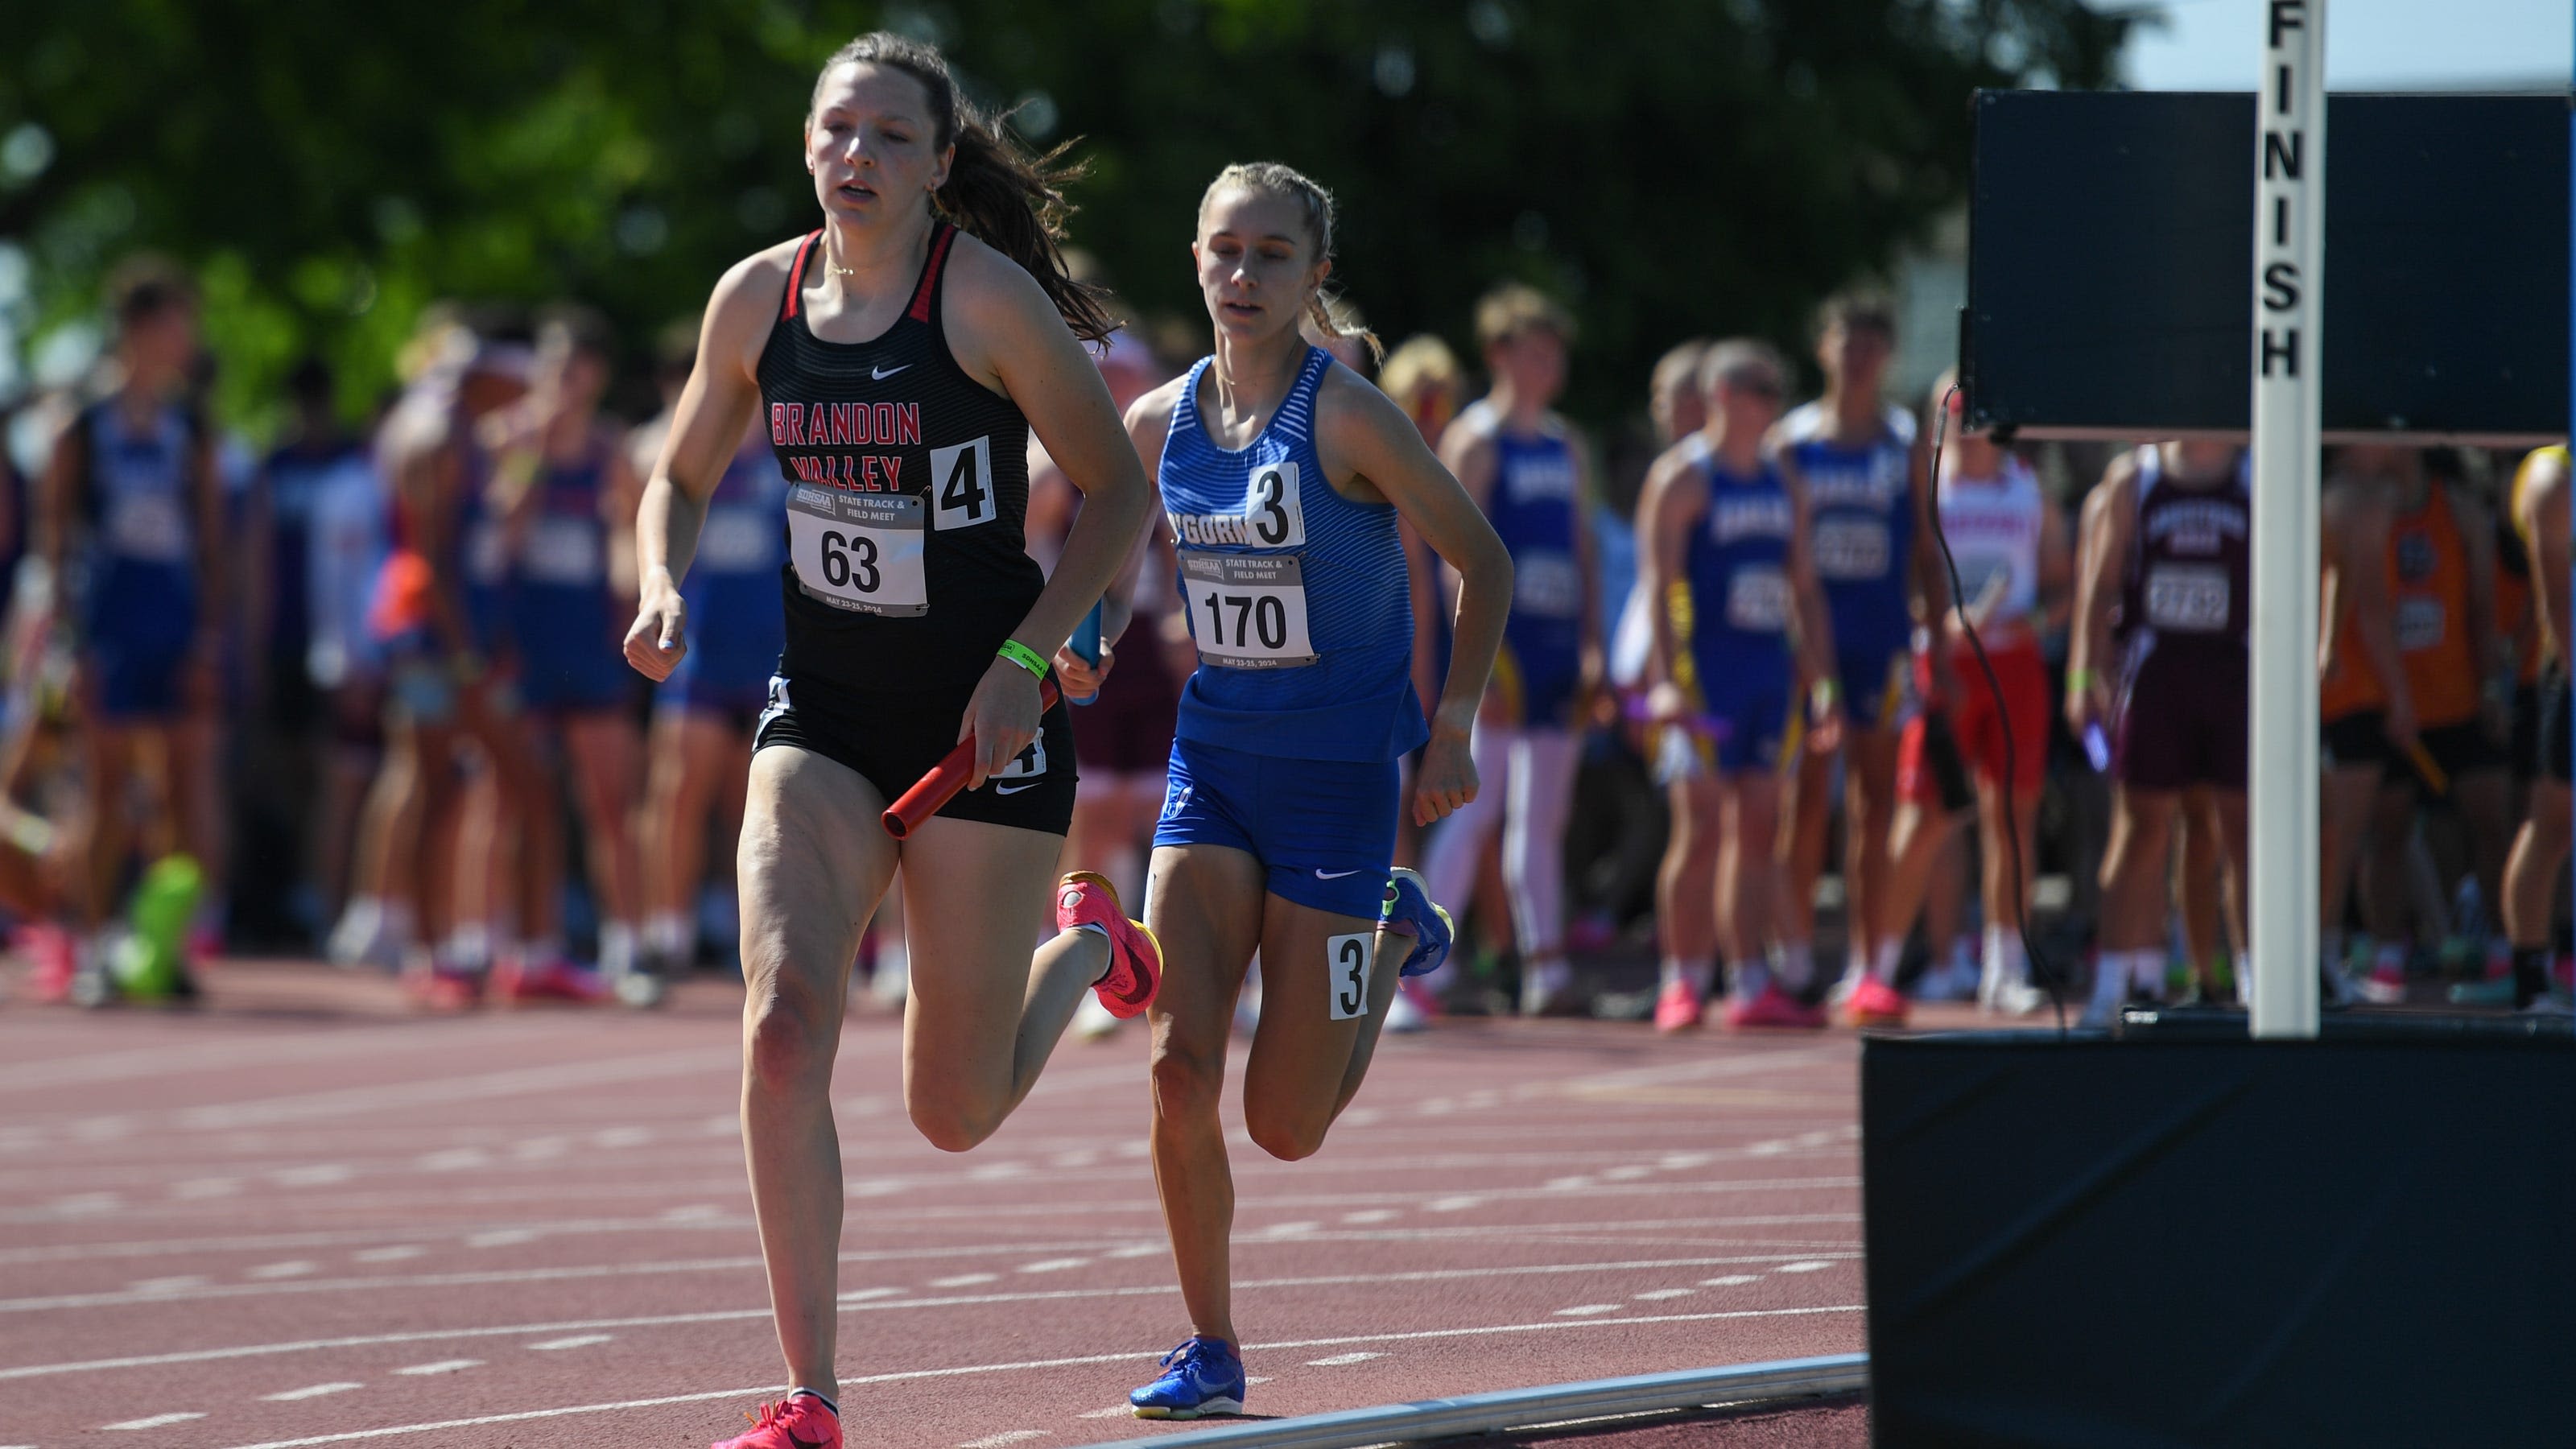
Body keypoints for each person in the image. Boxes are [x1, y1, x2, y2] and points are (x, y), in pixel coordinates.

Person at [619, 35, 1158, 1449]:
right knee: (787, 1024)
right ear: (807, 145)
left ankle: (1095, 942)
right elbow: (675, 474)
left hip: (987, 719)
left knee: (956, 1110)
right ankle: (810, 1399)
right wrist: (662, 579)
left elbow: (1112, 492)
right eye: (834, 130)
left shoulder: (979, 300)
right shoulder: (758, 298)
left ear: (938, 164)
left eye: (888, 138)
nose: (854, 156)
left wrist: (1028, 657)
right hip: (830, 719)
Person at [1121, 162, 1510, 1419]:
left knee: (1287, 1126)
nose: (1244, 276)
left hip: (1342, 783)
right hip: (1215, 766)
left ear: (1314, 274)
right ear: (1195, 260)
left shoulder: (1348, 416)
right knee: (1179, 1072)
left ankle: (1395, 933)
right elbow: (1094, 554)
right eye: (1225, 252)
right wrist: (1063, 641)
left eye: (1273, 255)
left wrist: (1451, 722)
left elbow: (1483, 563)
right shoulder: (1155, 424)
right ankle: (1211, 1344)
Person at [1851, 378, 2070, 1026]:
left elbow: (2061, 585)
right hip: (1944, 667)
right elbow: (1902, 577)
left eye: (1977, 416)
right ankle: (1878, 970)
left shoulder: (2029, 490)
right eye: (1953, 415)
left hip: (2013, 665)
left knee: (2014, 815)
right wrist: (1934, 623)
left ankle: (2006, 969)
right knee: (1922, 815)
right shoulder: (1926, 491)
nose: (1967, 430)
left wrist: (2033, 620)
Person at [39, 260, 227, 1001]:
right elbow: (55, 544)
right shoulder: (81, 427)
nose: (189, 341)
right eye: (179, 323)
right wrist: (64, 642)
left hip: (173, 621)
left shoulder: (192, 429)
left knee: (180, 792)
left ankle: (164, 946)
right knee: (107, 787)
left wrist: (210, 638)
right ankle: (89, 947)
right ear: (140, 329)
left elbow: (211, 543)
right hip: (108, 620)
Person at [1637, 340, 1839, 1032]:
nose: (1771, 403)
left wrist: (1823, 681)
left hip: (1767, 675)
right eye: (1759, 388)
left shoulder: (1785, 480)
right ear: (1723, 395)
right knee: (1699, 830)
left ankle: (1749, 980)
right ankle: (1682, 980)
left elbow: (1804, 590)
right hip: (1703, 677)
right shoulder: (1683, 478)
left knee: (1759, 829)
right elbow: (1660, 587)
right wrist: (1665, 681)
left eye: (1777, 390)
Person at [1420, 285, 1600, 1016]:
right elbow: (1451, 556)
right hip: (1504, 649)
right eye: (1535, 351)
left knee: (1543, 820)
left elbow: (1584, 547)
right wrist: (1477, 662)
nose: (1549, 365)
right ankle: (1419, 968)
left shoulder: (1566, 442)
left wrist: (1593, 644)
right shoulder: (1477, 440)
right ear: (1499, 354)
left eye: (1556, 353)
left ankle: (1547, 970)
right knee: (1474, 810)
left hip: (1558, 648)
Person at [1775, 294, 1944, 1003]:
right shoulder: (1793, 442)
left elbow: (1927, 549)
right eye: (1848, 342)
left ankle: (1867, 965)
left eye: (1874, 344)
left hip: (1881, 639)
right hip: (1804, 643)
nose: (1860, 356)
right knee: (1804, 801)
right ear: (1824, 349)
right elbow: (1779, 554)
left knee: (1877, 801)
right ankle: (1788, 960)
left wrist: (1936, 639)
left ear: (1889, 356)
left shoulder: (1902, 442)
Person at [480, 307, 646, 1000]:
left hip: (589, 641)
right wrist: (534, 457)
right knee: (506, 799)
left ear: (597, 376)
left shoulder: (613, 452)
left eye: (574, 369)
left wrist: (628, 594)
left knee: (609, 798)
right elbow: (495, 536)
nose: (561, 381)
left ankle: (626, 947)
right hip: (522, 642)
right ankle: (491, 941)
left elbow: (633, 544)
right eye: (551, 368)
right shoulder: (507, 439)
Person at [2063, 442, 2252, 1023]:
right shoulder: (2135, 479)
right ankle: (2110, 987)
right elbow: (2098, 588)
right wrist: (2081, 677)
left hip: (2235, 672)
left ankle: (2253, 982)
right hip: (2158, 675)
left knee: (2240, 833)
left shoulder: (2254, 472)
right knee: (2141, 828)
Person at [635, 325, 786, 1001]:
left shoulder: (788, 452)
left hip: (767, 655)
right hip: (695, 654)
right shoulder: (683, 452)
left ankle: (740, 937)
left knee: (750, 808)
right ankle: (661, 940)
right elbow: (650, 472)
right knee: (677, 794)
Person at [2314, 453, 2420, 1000]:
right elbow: (2371, 608)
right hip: (2350, 694)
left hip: (2356, 691)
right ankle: (2322, 963)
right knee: (2339, 837)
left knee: (2374, 833)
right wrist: (2401, 697)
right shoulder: (2354, 503)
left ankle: (2334, 958)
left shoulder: (2363, 499)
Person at [2500, 445, 2570, 1010]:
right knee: (2552, 824)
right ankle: (2530, 979)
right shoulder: (2553, 479)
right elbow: (2557, 606)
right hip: (2568, 675)